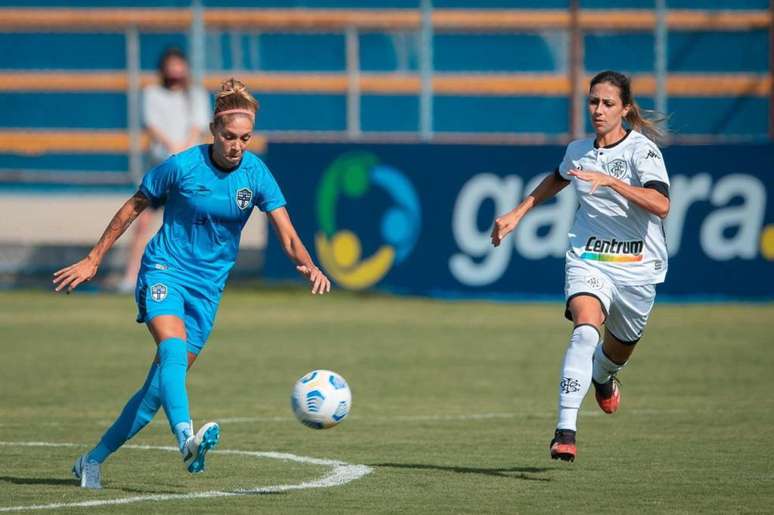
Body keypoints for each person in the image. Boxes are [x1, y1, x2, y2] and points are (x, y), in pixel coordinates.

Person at [54, 78, 331, 489]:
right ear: (213, 131)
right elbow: (135, 204)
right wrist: (95, 258)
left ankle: (91, 461)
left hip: (207, 289)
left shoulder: (256, 174)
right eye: (230, 136)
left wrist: (308, 265)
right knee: (172, 351)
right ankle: (186, 438)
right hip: (165, 269)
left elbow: (288, 235)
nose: (237, 145)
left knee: (154, 395)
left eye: (245, 138)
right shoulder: (181, 166)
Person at [490, 70, 670, 462]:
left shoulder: (643, 151)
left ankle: (603, 378)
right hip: (589, 257)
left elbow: (661, 205)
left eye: (608, 103)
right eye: (593, 102)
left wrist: (612, 182)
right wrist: (518, 214)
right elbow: (557, 179)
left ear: (625, 108)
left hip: (638, 269)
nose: (598, 110)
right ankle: (565, 431)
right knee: (585, 331)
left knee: (614, 354)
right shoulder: (578, 150)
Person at [118, 47, 211, 293]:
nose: (175, 70)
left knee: (193, 224)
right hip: (161, 169)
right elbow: (151, 124)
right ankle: (131, 276)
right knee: (142, 221)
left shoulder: (196, 95)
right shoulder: (152, 93)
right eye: (171, 65)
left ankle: (194, 277)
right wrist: (171, 148)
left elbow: (198, 126)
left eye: (179, 64)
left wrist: (183, 151)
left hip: (190, 171)